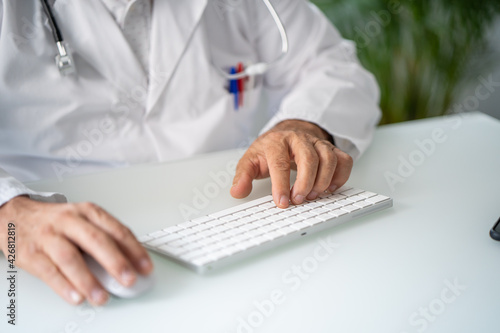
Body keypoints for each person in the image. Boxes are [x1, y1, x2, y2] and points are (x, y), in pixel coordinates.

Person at [0, 0, 381, 306]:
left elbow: (333, 66)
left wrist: (300, 125)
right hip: (45, 237)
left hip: (233, 216)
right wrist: (11, 212)